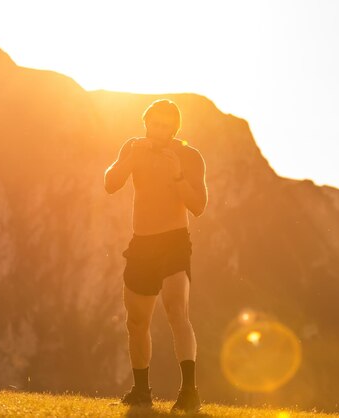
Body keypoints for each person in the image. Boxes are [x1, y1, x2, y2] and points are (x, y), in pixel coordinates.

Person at [104, 99, 208, 413]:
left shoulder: (189, 155)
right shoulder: (133, 147)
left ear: (175, 129)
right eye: (154, 124)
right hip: (141, 244)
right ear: (146, 122)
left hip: (174, 241)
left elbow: (199, 206)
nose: (158, 131)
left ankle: (189, 391)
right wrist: (128, 160)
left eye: (165, 126)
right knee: (136, 321)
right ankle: (140, 391)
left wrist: (177, 175)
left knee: (177, 309)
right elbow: (111, 184)